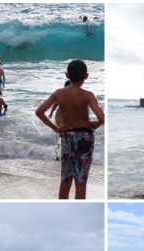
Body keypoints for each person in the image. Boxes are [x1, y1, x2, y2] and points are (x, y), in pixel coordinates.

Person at [35, 59, 105, 199]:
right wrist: (94, 124)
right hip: (84, 137)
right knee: (81, 179)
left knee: (66, 177)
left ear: (67, 75)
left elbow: (39, 112)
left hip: (66, 136)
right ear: (86, 76)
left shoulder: (59, 93)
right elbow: (102, 118)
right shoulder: (88, 95)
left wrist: (55, 128)